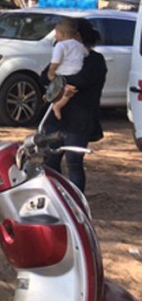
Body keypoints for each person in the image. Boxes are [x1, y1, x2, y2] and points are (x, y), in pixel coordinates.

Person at [43, 19, 106, 191]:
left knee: (74, 161)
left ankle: (76, 199)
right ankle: (56, 194)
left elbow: (82, 80)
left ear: (77, 36)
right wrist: (59, 82)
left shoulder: (95, 60)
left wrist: (59, 81)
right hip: (57, 118)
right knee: (50, 160)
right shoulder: (64, 56)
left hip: (81, 119)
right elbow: (44, 76)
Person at [48, 18, 88, 120]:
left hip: (63, 73)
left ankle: (56, 104)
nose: (55, 36)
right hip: (76, 73)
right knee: (69, 93)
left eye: (56, 33)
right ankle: (59, 102)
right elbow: (86, 53)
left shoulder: (60, 45)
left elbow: (56, 61)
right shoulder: (79, 45)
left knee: (58, 85)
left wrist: (51, 71)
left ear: (62, 33)